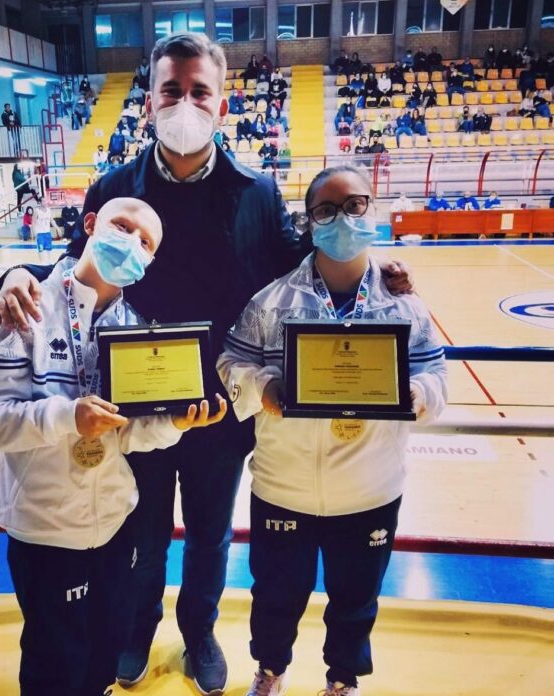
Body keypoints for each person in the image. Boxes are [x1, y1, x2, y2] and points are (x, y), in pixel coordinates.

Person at [0, 33, 412, 696]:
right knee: (142, 535)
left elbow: (308, 264)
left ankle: (199, 632)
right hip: (130, 409)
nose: (184, 103)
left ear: (221, 103)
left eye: (198, 91)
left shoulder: (257, 192)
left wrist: (378, 271)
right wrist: (14, 274)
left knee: (211, 538)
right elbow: (71, 266)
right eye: (171, 90)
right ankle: (137, 631)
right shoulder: (114, 189)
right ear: (150, 100)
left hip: (218, 410)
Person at [0, 196, 227, 696]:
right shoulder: (25, 304)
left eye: (145, 241)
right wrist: (68, 418)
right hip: (46, 532)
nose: (131, 243)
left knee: (105, 653)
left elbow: (125, 433)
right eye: (122, 226)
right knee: (53, 665)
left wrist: (173, 424)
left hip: (114, 526)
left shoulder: (131, 328)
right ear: (90, 224)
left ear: (150, 260)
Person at [217, 164, 447, 696]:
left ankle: (343, 680)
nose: (342, 218)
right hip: (284, 487)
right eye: (326, 210)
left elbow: (435, 374)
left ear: (373, 206)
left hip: (371, 489)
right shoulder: (271, 302)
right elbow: (231, 363)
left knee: (356, 599)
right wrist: (263, 388)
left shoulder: (403, 302)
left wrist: (417, 396)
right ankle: (270, 670)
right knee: (275, 595)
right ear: (310, 221)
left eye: (354, 204)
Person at [32, 200, 60, 264]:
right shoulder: (36, 211)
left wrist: (57, 228)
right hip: (39, 233)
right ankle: (42, 262)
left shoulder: (49, 210)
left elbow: (52, 220)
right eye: (44, 201)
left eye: (45, 201)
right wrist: (34, 233)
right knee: (41, 248)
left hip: (47, 232)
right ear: (40, 202)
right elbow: (33, 222)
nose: (45, 202)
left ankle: (49, 261)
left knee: (49, 248)